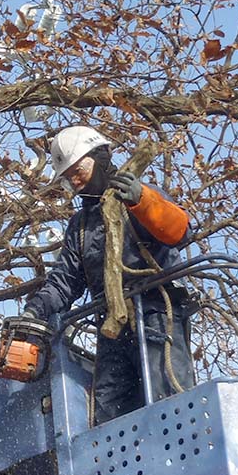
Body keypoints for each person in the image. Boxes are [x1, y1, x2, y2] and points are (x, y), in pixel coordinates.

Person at [23, 125, 196, 424]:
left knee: (167, 397)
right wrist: (35, 310)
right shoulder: (80, 226)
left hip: (156, 313)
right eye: (68, 179)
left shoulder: (138, 194)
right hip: (112, 328)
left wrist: (141, 200)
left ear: (100, 157)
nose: (75, 183)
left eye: (78, 171)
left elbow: (180, 231)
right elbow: (65, 281)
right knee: (107, 411)